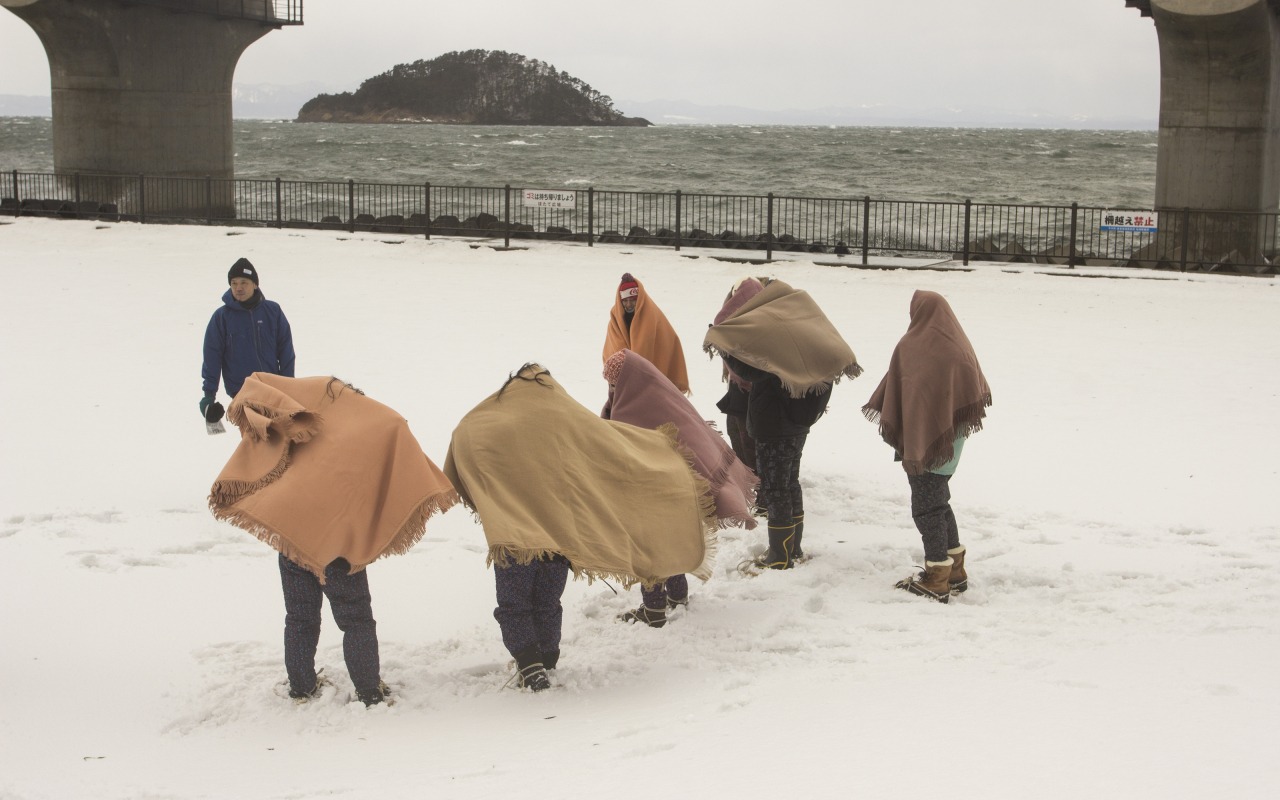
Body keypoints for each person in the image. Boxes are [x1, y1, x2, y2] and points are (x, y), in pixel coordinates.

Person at [443, 363, 716, 689]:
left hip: (516, 532)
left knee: (515, 603)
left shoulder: (489, 421)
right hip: (561, 533)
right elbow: (603, 443)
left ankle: (530, 667)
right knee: (547, 601)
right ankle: (548, 661)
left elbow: (465, 437)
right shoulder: (566, 417)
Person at [209, 374, 459, 705]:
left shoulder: (312, 411)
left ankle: (301, 686)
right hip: (340, 543)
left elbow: (262, 389)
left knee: (299, 617)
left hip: (295, 536)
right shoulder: (371, 428)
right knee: (356, 619)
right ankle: (369, 691)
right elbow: (394, 427)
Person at [704, 278, 862, 571]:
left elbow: (748, 369)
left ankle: (779, 555)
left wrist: (724, 345)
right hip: (799, 424)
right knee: (790, 483)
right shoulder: (800, 327)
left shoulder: (774, 334)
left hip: (773, 425)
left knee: (776, 488)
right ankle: (793, 546)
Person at [602, 349, 758, 627]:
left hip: (656, 494)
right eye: (610, 385)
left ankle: (653, 610)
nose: (612, 390)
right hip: (670, 494)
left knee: (648, 550)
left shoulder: (640, 406)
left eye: (616, 384)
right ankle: (677, 595)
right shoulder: (652, 394)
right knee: (668, 544)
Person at [862, 290, 992, 604]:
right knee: (939, 500)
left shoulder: (912, 345)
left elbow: (903, 386)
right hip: (951, 439)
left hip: (927, 441)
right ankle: (955, 570)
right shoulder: (959, 344)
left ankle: (936, 578)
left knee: (926, 507)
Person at [200, 257, 296, 423]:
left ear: (255, 284)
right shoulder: (221, 318)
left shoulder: (273, 311)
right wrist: (208, 397)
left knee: (282, 443)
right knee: (256, 443)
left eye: (244, 282)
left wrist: (288, 386)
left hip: (274, 391)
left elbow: (286, 351)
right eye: (234, 283)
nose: (238, 288)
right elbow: (212, 357)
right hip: (243, 394)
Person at [603, 272, 690, 395]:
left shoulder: (652, 316)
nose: (628, 305)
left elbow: (668, 343)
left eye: (633, 300)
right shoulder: (615, 319)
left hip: (652, 384)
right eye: (625, 301)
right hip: (622, 386)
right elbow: (612, 351)